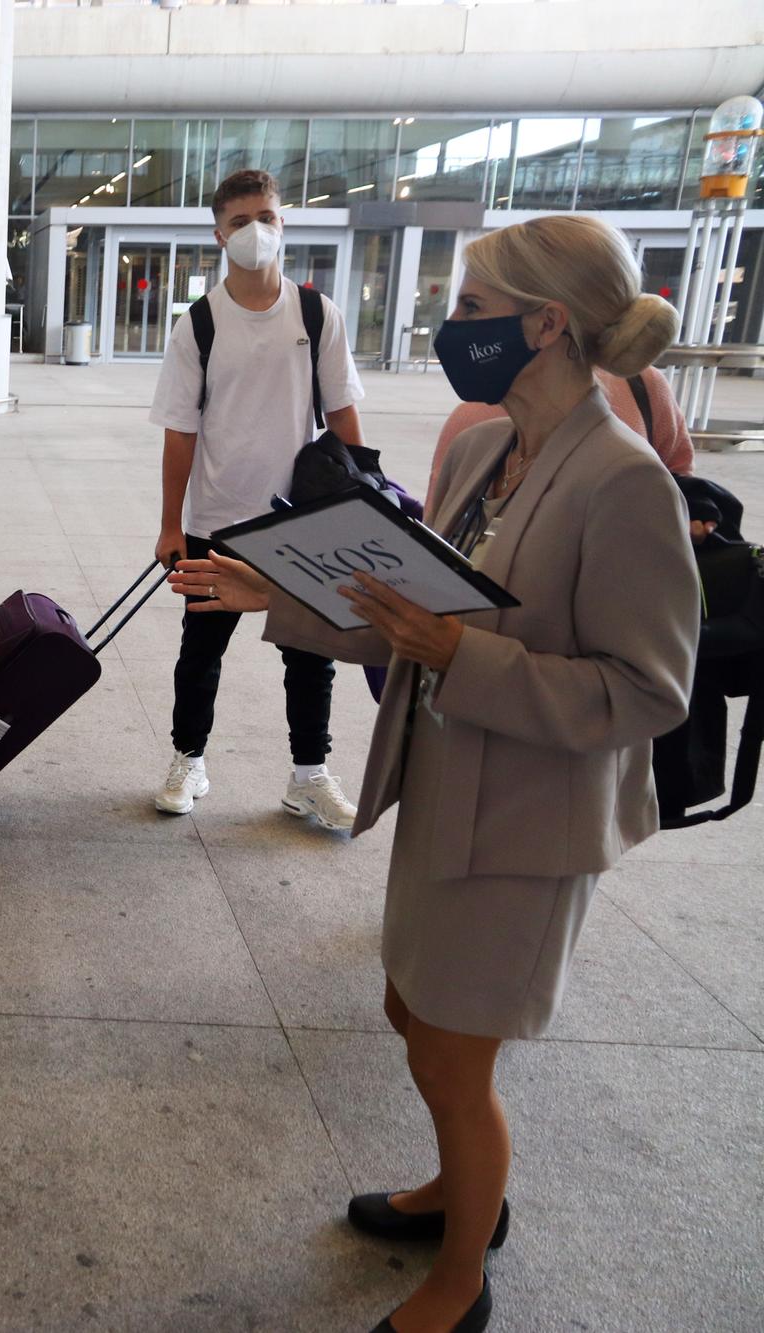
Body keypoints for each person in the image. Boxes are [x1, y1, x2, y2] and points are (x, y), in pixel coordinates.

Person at [170, 213, 696, 1333]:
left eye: (467, 309)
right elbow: (417, 614)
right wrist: (278, 594)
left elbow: (648, 691)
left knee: (457, 1056)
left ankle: (462, 1275)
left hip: (528, 822)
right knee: (412, 1006)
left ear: (544, 323)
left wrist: (467, 657)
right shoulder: (477, 447)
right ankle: (462, 1191)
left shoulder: (623, 482)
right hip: (443, 788)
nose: (447, 328)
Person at [147, 168, 367, 829]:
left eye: (266, 217)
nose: (255, 231)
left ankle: (310, 776)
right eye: (241, 221)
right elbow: (180, 433)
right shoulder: (200, 325)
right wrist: (170, 526)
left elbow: (344, 417)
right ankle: (189, 758)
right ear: (219, 234)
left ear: (284, 224)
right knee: (201, 654)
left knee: (311, 653)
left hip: (300, 521)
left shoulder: (315, 313)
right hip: (218, 519)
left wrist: (365, 507)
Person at [428, 364, 693, 506]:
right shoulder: (468, 431)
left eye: (473, 306)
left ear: (549, 321)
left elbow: (680, 477)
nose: (455, 322)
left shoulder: (642, 385)